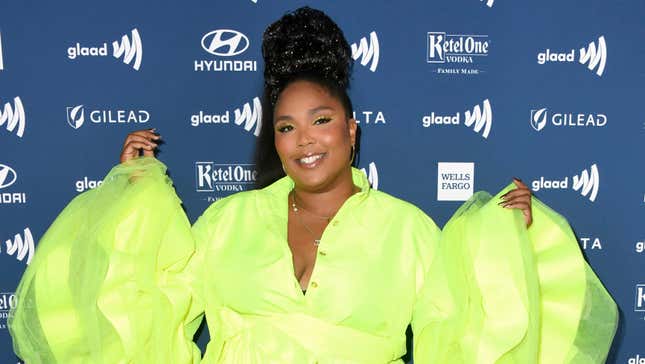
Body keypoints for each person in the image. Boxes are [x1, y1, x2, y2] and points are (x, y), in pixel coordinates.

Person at [9, 7, 617, 364]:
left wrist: (514, 240)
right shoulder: (227, 221)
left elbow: (465, 330)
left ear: (351, 130)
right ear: (273, 140)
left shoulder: (407, 231)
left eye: (321, 121)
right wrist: (130, 197)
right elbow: (142, 301)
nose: (305, 140)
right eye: (286, 126)